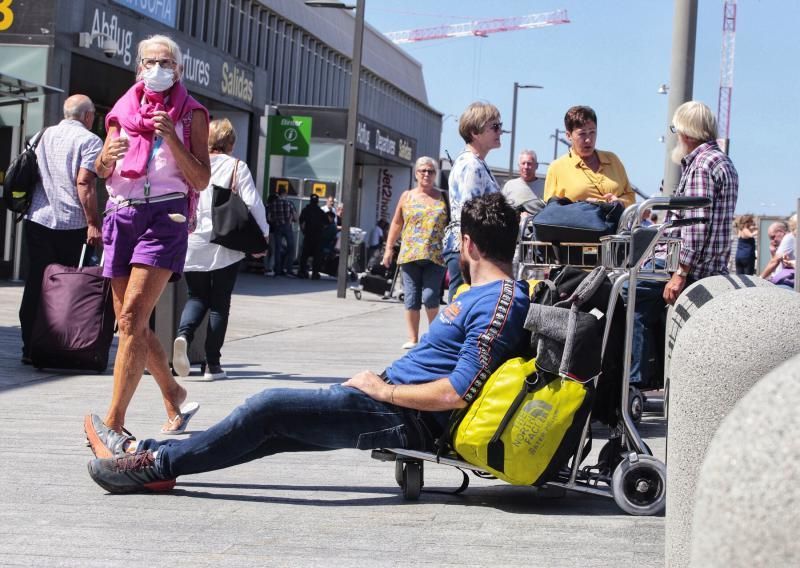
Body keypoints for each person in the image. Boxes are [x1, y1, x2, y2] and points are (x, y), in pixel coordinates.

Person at [84, 193, 530, 494]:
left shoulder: (499, 300)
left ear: (468, 245)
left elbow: (456, 391)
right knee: (271, 428)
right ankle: (152, 457)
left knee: (269, 406)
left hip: (404, 415)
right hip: (392, 401)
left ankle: (151, 467)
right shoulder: (484, 296)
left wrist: (383, 390)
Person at [85, 34, 211, 450]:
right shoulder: (121, 111)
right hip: (121, 214)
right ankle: (174, 395)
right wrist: (108, 156)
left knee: (132, 318)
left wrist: (172, 138)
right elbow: (103, 169)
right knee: (130, 322)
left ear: (178, 69)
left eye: (167, 62)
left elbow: (201, 179)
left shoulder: (191, 115)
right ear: (138, 67)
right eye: (150, 61)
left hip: (165, 215)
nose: (158, 68)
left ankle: (113, 423)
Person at [627, 101, 738, 386]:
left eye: (676, 129)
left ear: (686, 132)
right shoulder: (721, 161)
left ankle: (636, 382)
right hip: (711, 264)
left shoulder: (701, 165)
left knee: (630, 291)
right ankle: (652, 372)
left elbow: (695, 226)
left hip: (692, 265)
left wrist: (680, 273)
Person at [172, 118, 268, 381]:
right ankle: (211, 365)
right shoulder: (237, 167)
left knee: (196, 296)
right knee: (219, 303)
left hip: (192, 240)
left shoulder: (190, 164)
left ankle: (183, 335)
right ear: (231, 143)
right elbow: (253, 204)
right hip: (226, 243)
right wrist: (263, 238)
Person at [18, 94, 103, 365]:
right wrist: (93, 222)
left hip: (38, 219)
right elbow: (84, 183)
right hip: (72, 224)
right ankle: (59, 343)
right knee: (65, 286)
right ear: (88, 116)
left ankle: (29, 347)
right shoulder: (90, 141)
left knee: (36, 282)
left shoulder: (40, 135)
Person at [383, 157, 449, 349]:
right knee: (411, 298)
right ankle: (413, 339)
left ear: (436, 174)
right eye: (422, 171)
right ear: (416, 173)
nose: (426, 174)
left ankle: (435, 337)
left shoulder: (443, 196)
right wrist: (388, 249)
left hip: (435, 255)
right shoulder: (407, 196)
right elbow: (397, 222)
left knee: (430, 297)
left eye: (430, 171)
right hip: (410, 254)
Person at [443, 101, 504, 300]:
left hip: (468, 246)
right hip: (471, 248)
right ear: (475, 132)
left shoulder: (473, 162)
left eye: (500, 126)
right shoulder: (472, 166)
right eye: (494, 127)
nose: (499, 131)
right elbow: (471, 214)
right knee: (464, 309)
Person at [544, 106, 635, 207]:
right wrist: (583, 205)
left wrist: (619, 202)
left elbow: (631, 197)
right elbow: (551, 211)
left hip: (614, 222)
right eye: (582, 134)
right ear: (568, 135)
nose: (588, 140)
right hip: (577, 222)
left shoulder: (612, 159)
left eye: (592, 132)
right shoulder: (557, 167)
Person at [502, 149, 545, 215]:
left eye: (529, 163)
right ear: (519, 166)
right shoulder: (509, 186)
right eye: (523, 163)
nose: (526, 167)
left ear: (536, 166)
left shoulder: (544, 187)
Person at [267, 185, 297, 276]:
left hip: (277, 227)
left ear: (278, 193)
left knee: (277, 249)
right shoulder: (290, 203)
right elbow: (295, 217)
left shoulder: (273, 204)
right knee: (291, 248)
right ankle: (289, 269)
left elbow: (269, 217)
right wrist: (292, 220)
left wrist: (275, 221)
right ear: (285, 193)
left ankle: (277, 270)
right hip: (287, 227)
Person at [297, 194, 328, 279]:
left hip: (308, 236)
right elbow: (326, 223)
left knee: (305, 255)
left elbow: (301, 222)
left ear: (310, 201)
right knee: (317, 255)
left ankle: (302, 271)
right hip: (318, 237)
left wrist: (304, 232)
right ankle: (315, 273)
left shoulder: (305, 210)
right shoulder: (320, 211)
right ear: (317, 202)